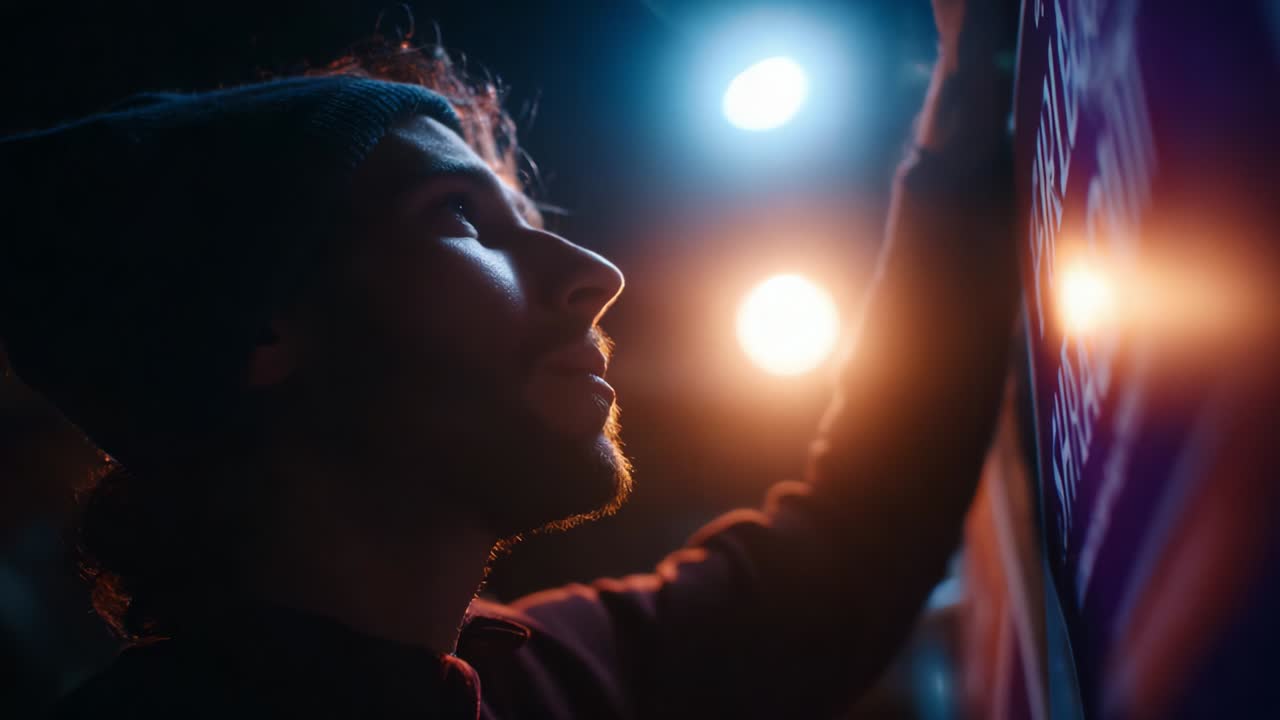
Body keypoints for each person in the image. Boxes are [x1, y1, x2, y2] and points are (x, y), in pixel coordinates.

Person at [0, 0, 1017, 716]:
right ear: (264, 328)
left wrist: (961, 142)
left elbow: (848, 549)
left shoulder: (542, 678)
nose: (594, 271)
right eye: (459, 216)